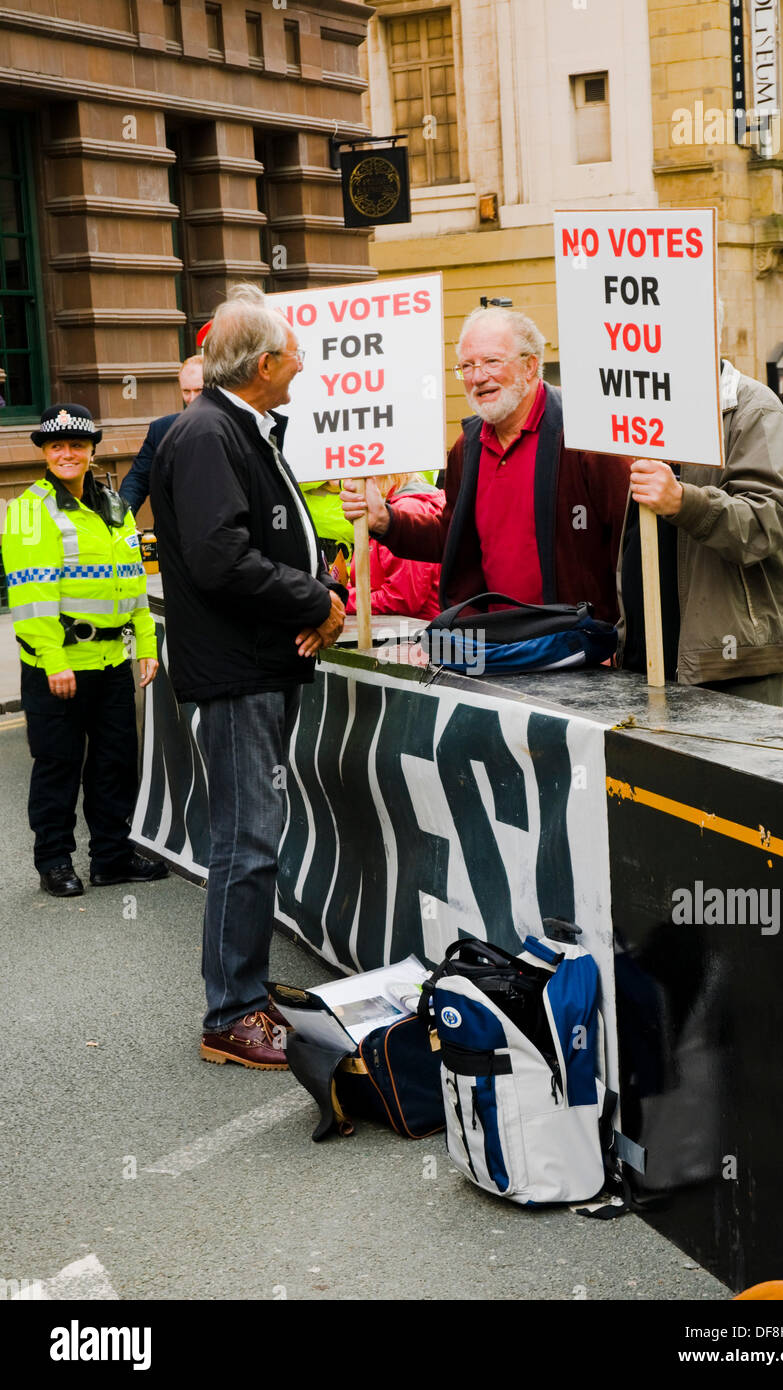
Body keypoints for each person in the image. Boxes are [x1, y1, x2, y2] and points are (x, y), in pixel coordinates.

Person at [150, 285, 346, 1071]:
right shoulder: (208, 434)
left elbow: (262, 537)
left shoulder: (235, 429)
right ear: (264, 364)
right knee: (245, 841)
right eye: (294, 353)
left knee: (251, 837)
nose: (302, 364)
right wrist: (316, 598)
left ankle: (246, 995)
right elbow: (221, 558)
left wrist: (314, 579)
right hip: (236, 673)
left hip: (254, 665)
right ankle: (231, 1012)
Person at [340, 306, 631, 621]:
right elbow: (449, 539)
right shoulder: (468, 447)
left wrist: (618, 638)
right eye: (467, 365)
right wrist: (386, 520)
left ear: (530, 365)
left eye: (492, 361)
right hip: (493, 642)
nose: (478, 377)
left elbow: (630, 542)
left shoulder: (585, 435)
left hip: (578, 645)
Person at [1, 404, 167, 896]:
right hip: (61, 665)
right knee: (58, 764)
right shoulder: (31, 509)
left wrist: (148, 643)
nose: (68, 453)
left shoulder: (114, 505)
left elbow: (132, 581)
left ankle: (110, 857)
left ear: (92, 449)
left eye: (76, 444)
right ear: (46, 454)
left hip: (113, 659)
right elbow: (31, 596)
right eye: (57, 446)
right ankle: (53, 861)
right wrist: (53, 659)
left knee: (114, 762)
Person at [621, 341, 783, 707]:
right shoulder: (648, 414)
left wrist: (682, 502)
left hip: (728, 664)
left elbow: (773, 519)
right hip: (647, 657)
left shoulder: (754, 408)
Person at [345, 472, 444, 621]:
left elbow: (403, 599)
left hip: (413, 633)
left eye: (364, 478)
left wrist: (341, 601)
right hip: (407, 629)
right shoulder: (399, 507)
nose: (349, 484)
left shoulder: (407, 508)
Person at [119, 355, 204, 516]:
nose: (192, 399)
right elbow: (138, 480)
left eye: (200, 390)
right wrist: (122, 517)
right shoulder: (161, 430)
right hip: (174, 534)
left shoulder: (233, 425)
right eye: (186, 391)